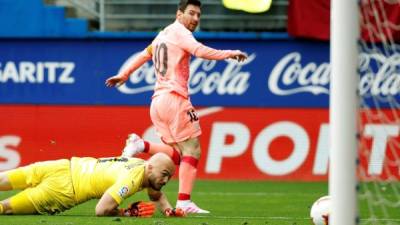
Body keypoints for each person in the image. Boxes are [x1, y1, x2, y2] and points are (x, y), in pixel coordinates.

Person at [105, 0, 247, 214]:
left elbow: (145, 54)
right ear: (179, 13)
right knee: (193, 150)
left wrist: (124, 74)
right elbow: (199, 51)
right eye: (191, 13)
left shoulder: (163, 34)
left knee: (179, 155)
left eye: (198, 15)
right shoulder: (181, 33)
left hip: (157, 103)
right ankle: (184, 202)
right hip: (175, 99)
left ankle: (141, 145)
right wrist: (229, 52)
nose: (195, 19)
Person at [0, 153, 184, 217]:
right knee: (4, 208)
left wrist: (168, 210)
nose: (165, 181)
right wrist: (125, 212)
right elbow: (101, 209)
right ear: (151, 168)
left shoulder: (142, 165)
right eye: (164, 175)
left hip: (62, 166)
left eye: (169, 177)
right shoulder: (132, 180)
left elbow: (155, 194)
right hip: (63, 191)